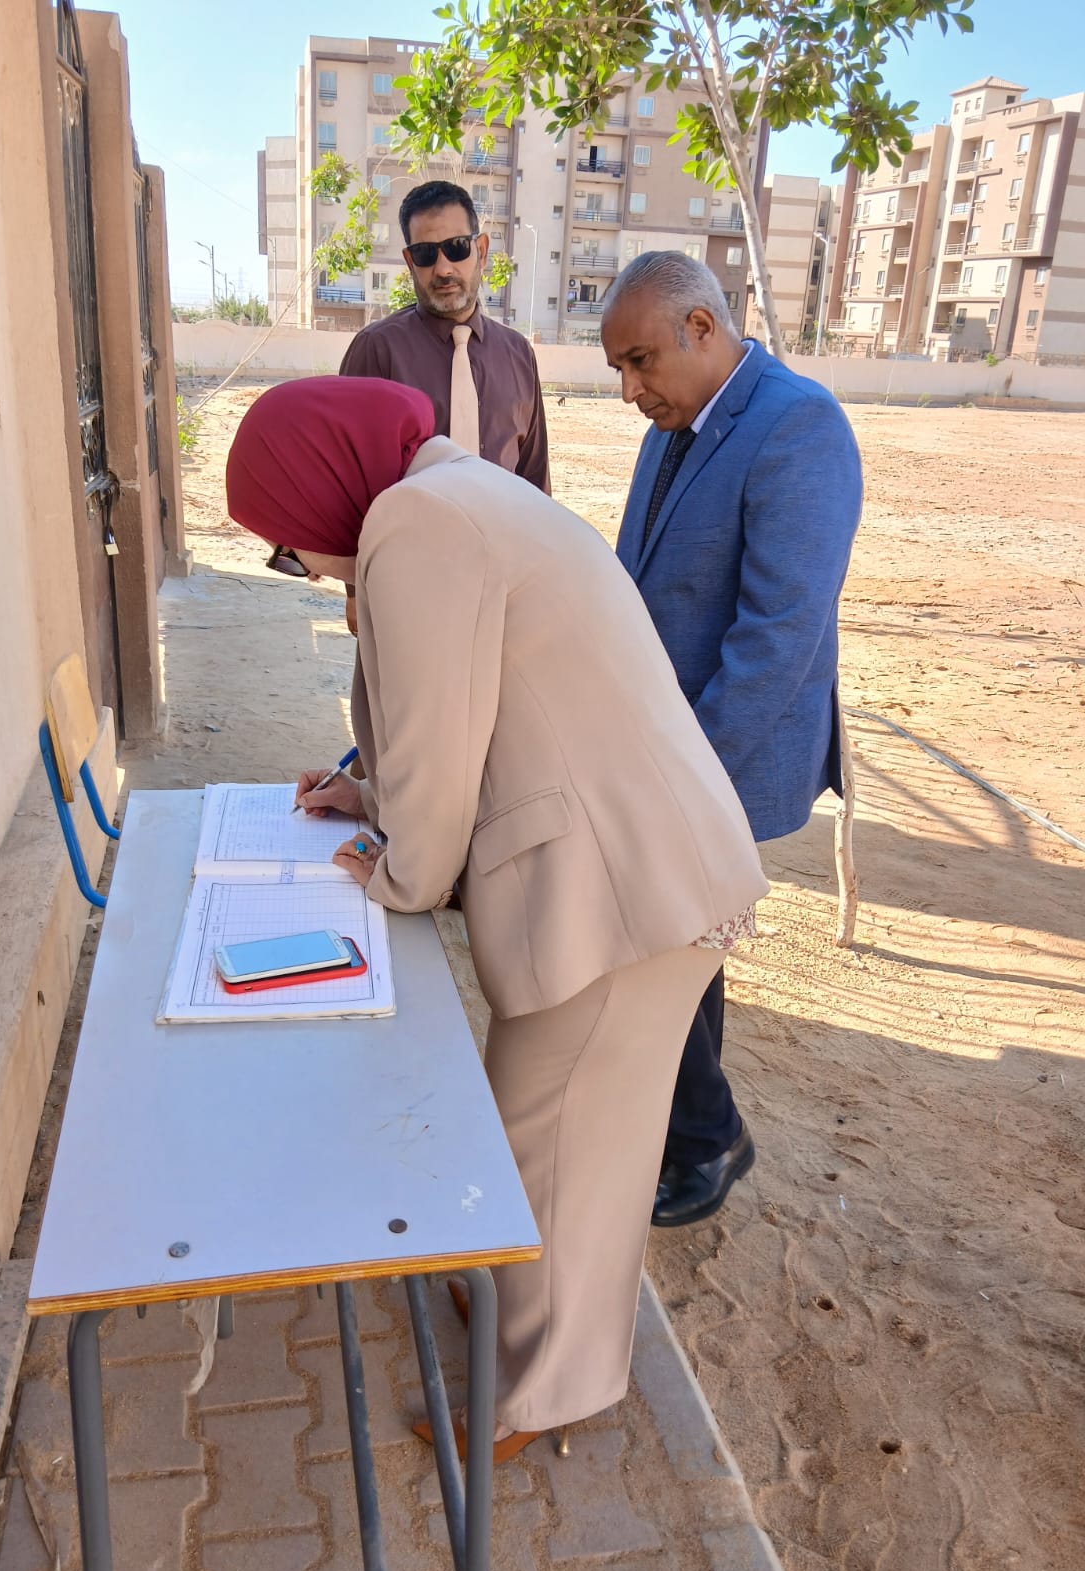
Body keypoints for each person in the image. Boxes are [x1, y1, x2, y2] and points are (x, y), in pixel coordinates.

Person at [226, 375, 767, 1460]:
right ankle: (521, 1303)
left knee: (558, 1148)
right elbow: (474, 710)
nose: (305, 569)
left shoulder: (415, 522)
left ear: (317, 489)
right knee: (549, 1132)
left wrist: (395, 871)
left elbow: (438, 746)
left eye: (286, 548)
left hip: (620, 887)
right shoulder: (454, 494)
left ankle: (543, 1393)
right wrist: (369, 797)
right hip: (634, 864)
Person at [601, 252, 862, 1230]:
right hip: (660, 743)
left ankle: (707, 1139)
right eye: (618, 369)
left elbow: (778, 636)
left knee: (671, 944)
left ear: (702, 328)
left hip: (723, 753)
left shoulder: (800, 427)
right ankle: (689, 1128)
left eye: (640, 361)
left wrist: (684, 775)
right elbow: (639, 577)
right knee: (678, 942)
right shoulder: (673, 422)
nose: (630, 389)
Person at [337, 179, 550, 635]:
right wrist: (355, 589)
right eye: (426, 254)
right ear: (409, 262)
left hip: (501, 583)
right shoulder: (376, 351)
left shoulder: (518, 355)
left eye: (456, 248)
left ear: (481, 250)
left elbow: (534, 477)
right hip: (405, 582)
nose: (444, 268)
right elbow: (348, 482)